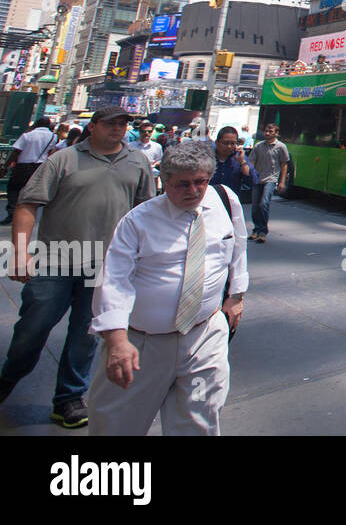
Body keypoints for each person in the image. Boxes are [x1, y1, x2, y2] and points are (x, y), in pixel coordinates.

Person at [0, 106, 154, 428]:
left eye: (123, 124)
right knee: (32, 328)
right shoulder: (64, 159)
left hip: (106, 266)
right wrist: (19, 252)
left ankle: (68, 399)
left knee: (86, 336)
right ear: (93, 126)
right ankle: (8, 378)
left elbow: (145, 214)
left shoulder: (138, 162)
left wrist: (144, 260)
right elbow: (28, 204)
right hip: (55, 259)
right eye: (110, 123)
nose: (118, 129)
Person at [86, 141, 248, 435]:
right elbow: (114, 281)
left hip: (205, 335)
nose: (193, 191)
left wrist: (236, 296)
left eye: (201, 182)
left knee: (200, 419)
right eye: (182, 184)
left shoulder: (225, 201)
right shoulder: (137, 222)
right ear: (164, 180)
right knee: (118, 422)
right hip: (142, 344)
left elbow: (237, 246)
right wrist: (117, 341)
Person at [1, 116, 57, 225]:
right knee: (31, 191)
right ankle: (27, 213)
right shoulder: (53, 137)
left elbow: (16, 152)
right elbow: (51, 151)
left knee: (14, 188)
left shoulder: (28, 135)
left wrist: (5, 166)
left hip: (23, 166)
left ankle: (12, 211)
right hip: (39, 166)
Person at [249, 122, 291, 243]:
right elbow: (252, 161)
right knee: (255, 206)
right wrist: (250, 175)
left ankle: (263, 231)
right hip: (257, 179)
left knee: (264, 204)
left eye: (270, 131)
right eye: (266, 131)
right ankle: (256, 229)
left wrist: (282, 182)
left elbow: (284, 165)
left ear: (276, 133)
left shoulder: (281, 147)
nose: (267, 133)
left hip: (271, 179)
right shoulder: (258, 146)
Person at [212, 126, 257, 200]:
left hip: (230, 204)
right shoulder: (207, 157)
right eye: (225, 143)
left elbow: (253, 182)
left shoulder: (239, 158)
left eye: (232, 143)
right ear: (217, 142)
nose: (229, 146)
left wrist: (242, 163)